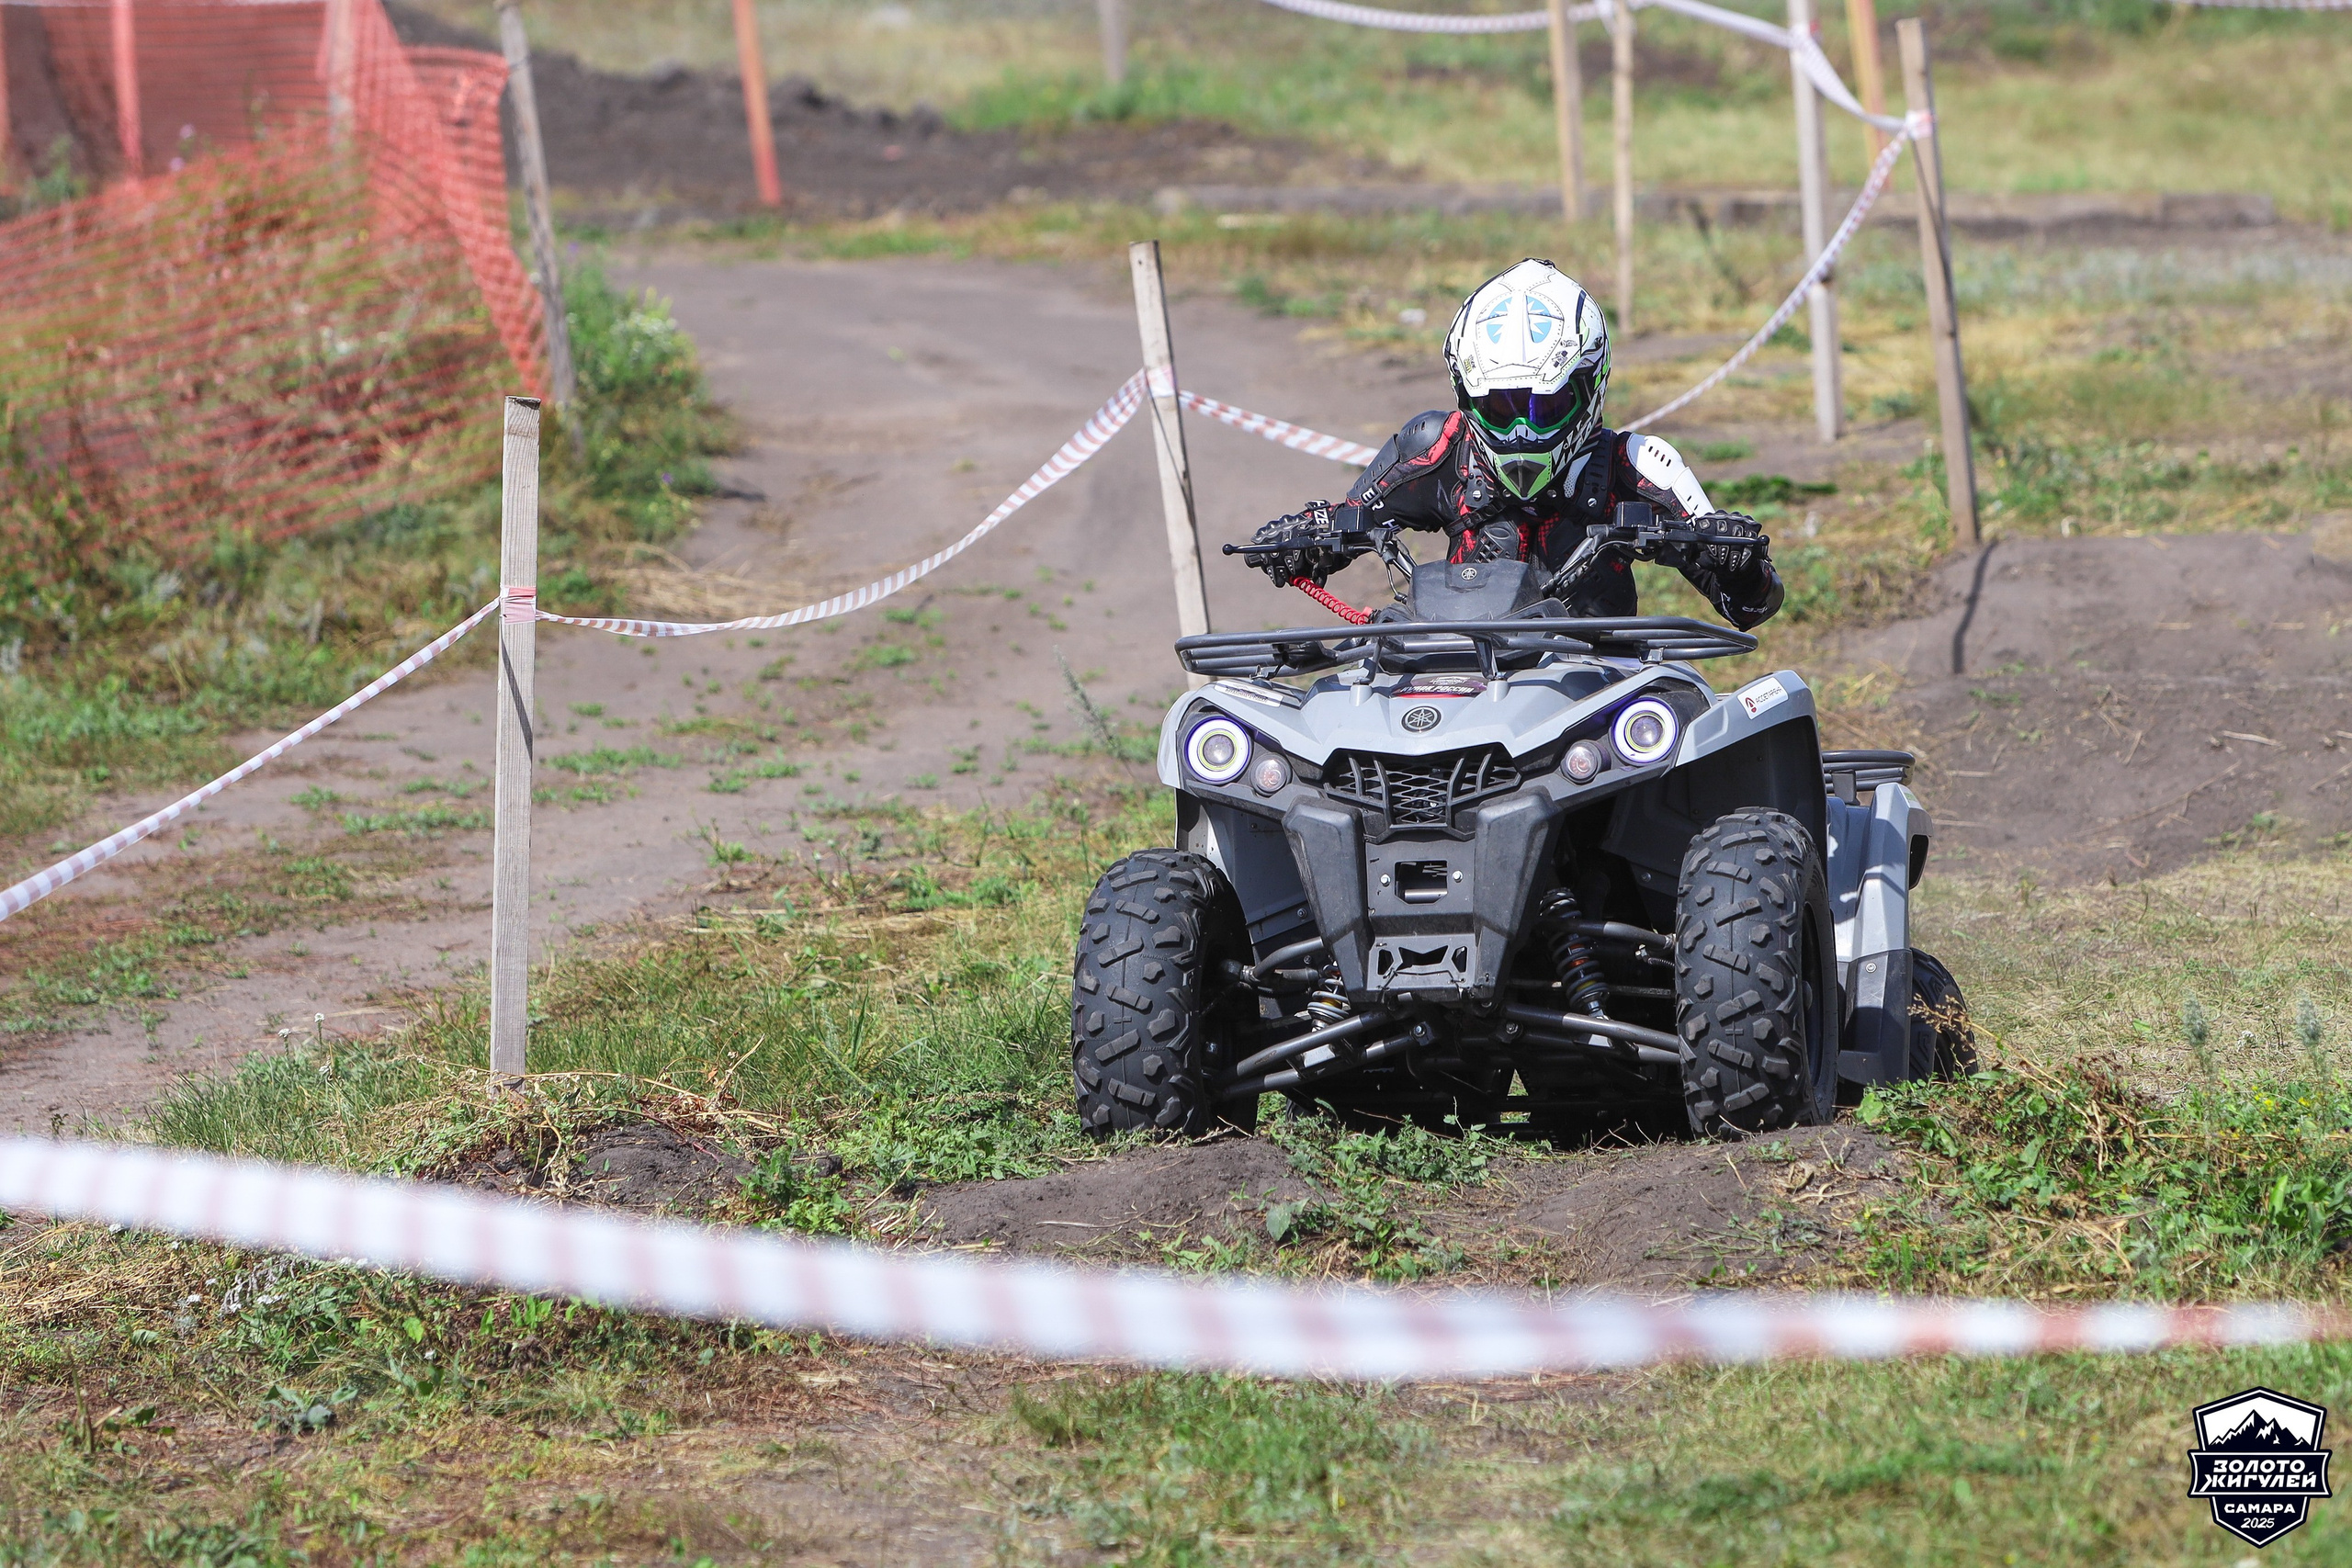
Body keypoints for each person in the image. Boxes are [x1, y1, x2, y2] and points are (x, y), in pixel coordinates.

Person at [1247, 258, 1783, 629]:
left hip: (1597, 697)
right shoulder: (1436, 447)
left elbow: (1750, 609)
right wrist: (1304, 539)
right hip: (1454, 675)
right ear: (1465, 395)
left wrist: (1735, 563)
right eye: (1501, 408)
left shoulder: (1640, 467)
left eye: (1543, 406)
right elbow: (1347, 524)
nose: (1522, 431)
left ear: (1590, 385)